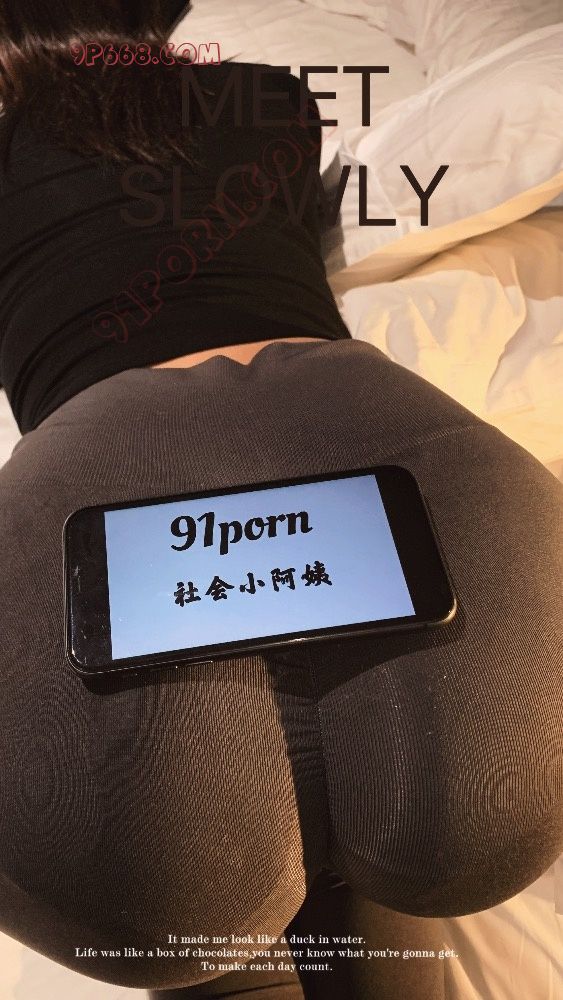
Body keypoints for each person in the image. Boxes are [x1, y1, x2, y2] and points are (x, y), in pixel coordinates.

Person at [0, 3, 561, 999]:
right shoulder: (272, 97)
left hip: (91, 491)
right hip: (418, 494)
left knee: (180, 886)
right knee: (409, 848)